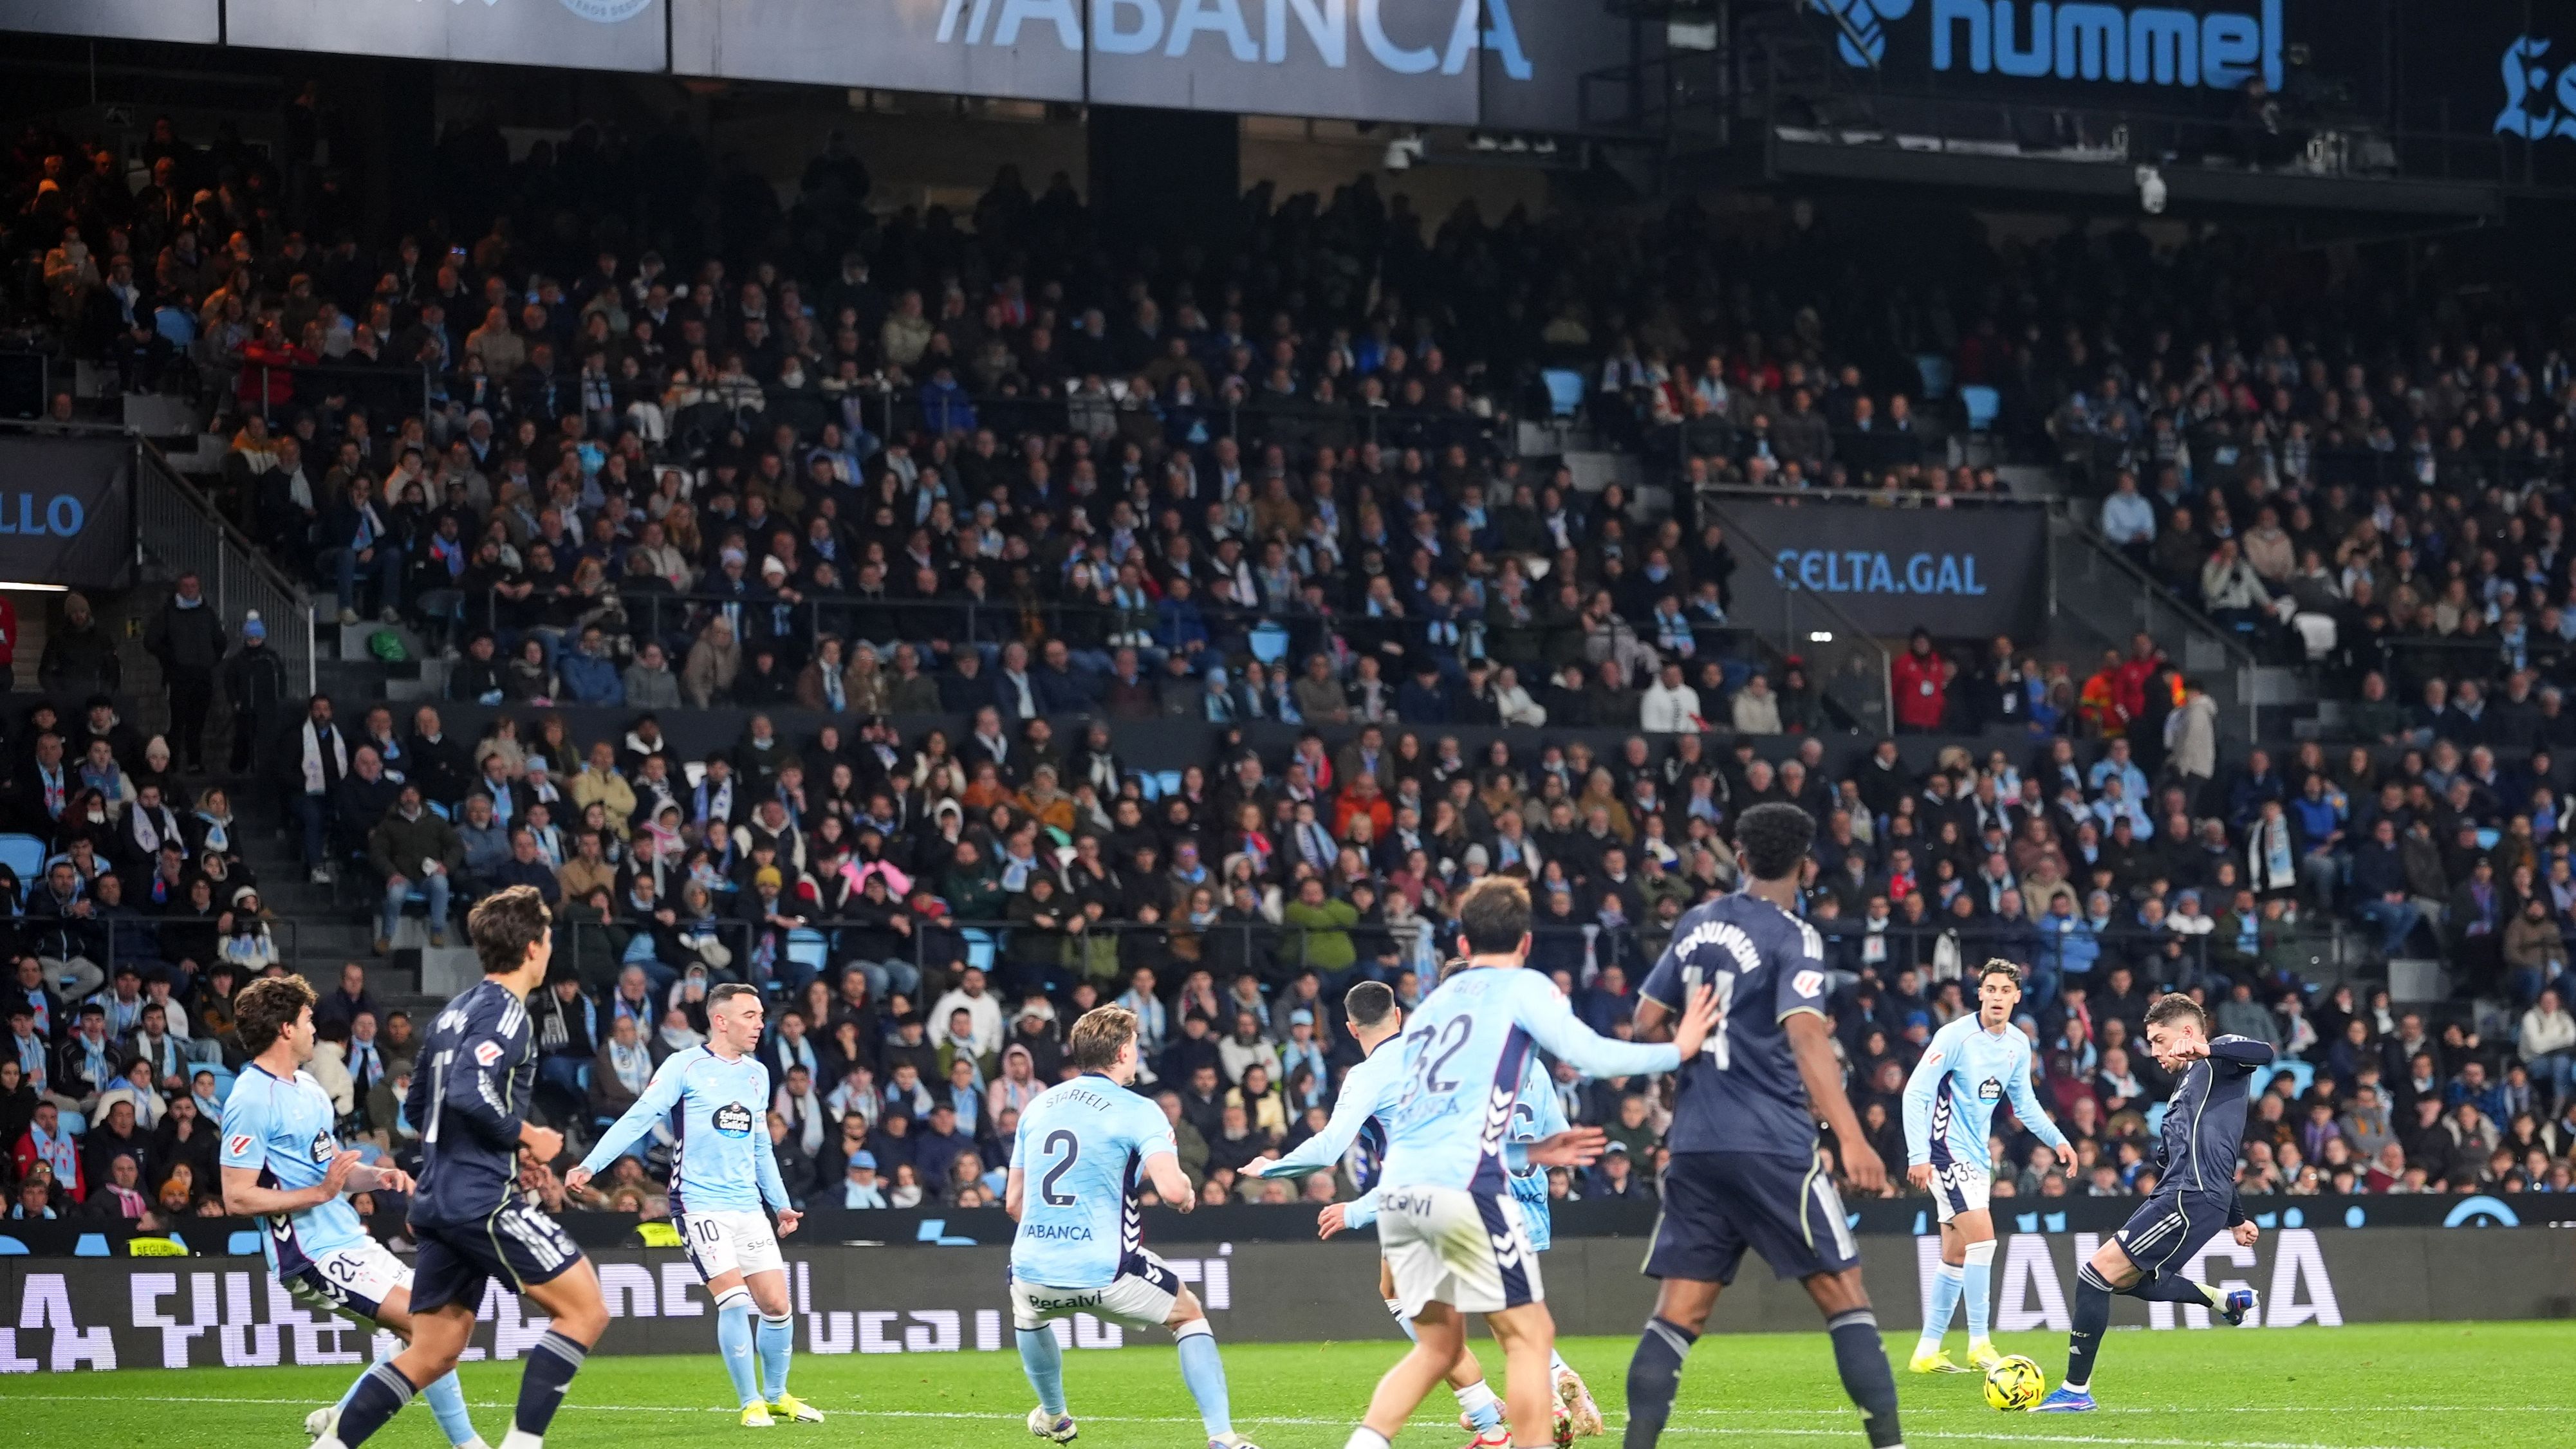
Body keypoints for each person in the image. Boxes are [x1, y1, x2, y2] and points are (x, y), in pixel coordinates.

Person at [1343, 877, 1714, 1449]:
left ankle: (1378, 1440)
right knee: (1527, 1337)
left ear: (1462, 944)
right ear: (1525, 943)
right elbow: (1589, 1053)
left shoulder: (1429, 1013)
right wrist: (1677, 1048)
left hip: (1412, 1190)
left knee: (1440, 1344)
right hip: (1476, 1190)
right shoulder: (1520, 989)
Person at [1623, 802, 1902, 1449]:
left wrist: (1686, 1052)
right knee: (1844, 1293)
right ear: (1805, 865)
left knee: (1677, 1313)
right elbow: (1806, 1036)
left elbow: (1644, 1020)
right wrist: (1854, 1138)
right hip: (1771, 1139)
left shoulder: (1694, 922)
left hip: (1694, 1142)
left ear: (1740, 856)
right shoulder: (1794, 935)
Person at [319, 886, 609, 1449]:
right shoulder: (507, 1013)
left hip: (438, 1200)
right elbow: (470, 1093)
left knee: (433, 1352)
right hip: (481, 1200)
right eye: (548, 938)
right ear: (531, 948)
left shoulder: (455, 1012)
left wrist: (498, 1144)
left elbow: (415, 1106)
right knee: (585, 1310)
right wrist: (529, 1136)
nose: (550, 948)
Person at [1270, 974, 1608, 1446]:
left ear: (1349, 1028)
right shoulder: (1513, 1061)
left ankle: (1502, 1414)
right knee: (1501, 1308)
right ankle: (1533, 1388)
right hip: (1522, 1193)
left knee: (1443, 1316)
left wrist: (1350, 1206)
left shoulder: (1425, 1065)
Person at [1244, 981, 1528, 1448]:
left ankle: (1495, 1419)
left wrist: (1271, 1166)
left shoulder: (1368, 1074)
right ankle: (1493, 1410)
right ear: (1398, 1014)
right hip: (1478, 1185)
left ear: (1351, 1028)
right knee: (1400, 1291)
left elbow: (1329, 1147)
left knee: (1429, 1316)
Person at [218, 975, 486, 1449]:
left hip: (350, 1240)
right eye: (305, 1020)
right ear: (284, 1029)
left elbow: (332, 1170)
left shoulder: (308, 1088)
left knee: (438, 1324)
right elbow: (237, 1196)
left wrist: (377, 1176)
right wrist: (320, 1194)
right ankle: (462, 1444)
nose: (313, 1029)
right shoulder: (250, 1098)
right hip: (309, 1252)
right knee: (430, 1329)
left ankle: (343, 1417)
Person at [1006, 1005, 1256, 1449]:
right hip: (1107, 1271)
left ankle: (1056, 1417)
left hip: (1032, 1270)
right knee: (1189, 1315)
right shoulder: (1140, 1110)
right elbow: (1174, 1193)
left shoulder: (1037, 1106)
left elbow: (1013, 1204)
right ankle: (1222, 1438)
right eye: (1136, 1046)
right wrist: (1186, 1190)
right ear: (1122, 1053)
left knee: (1029, 1316)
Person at [568, 983, 817, 1425]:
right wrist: (591, 1164)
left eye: (761, 1015)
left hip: (747, 1207)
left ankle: (777, 1395)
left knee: (777, 1306)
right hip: (699, 1204)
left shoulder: (757, 1074)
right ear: (721, 1021)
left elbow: (761, 1149)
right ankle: (750, 1403)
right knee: (735, 1300)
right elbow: (640, 1118)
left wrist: (780, 1205)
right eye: (750, 1016)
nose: (760, 1023)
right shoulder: (685, 1066)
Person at [2034, 993, 2270, 1412]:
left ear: (2185, 1033)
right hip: (2183, 1194)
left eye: (2159, 1041)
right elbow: (2213, 1155)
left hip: (2187, 1198)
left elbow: (2264, 1052)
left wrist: (2206, 1048)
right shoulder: (2186, 1087)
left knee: (2094, 1275)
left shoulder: (2218, 1061)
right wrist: (2236, 1221)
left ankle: (2074, 1391)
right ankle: (2223, 1301)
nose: (2154, 1052)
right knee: (2128, 1280)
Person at [1900, 959, 2071, 1373]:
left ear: (2016, 997)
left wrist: (2058, 1139)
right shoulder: (1955, 1036)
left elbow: (2025, 1105)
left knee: (1956, 1255)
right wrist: (1918, 1155)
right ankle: (1980, 1343)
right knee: (1984, 1242)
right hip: (1945, 1152)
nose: (1996, 997)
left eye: (2004, 991)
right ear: (1980, 994)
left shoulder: (2017, 1043)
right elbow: (1916, 1093)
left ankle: (1926, 1351)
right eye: (1989, 989)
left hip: (1978, 1157)